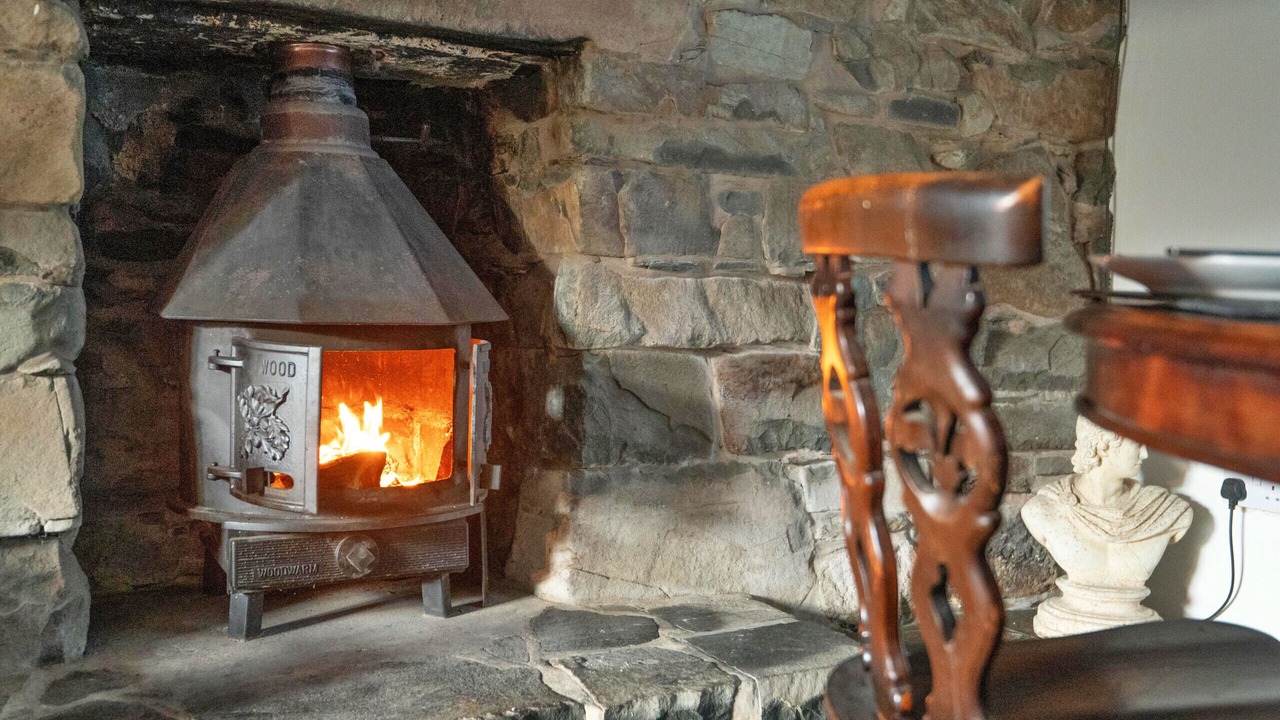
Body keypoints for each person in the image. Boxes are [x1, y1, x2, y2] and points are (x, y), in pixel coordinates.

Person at [1021, 416, 1192, 637]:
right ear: (1103, 444)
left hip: (1135, 630)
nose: (1145, 454)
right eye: (1137, 444)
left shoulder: (1165, 511)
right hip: (1068, 623)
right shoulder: (1045, 510)